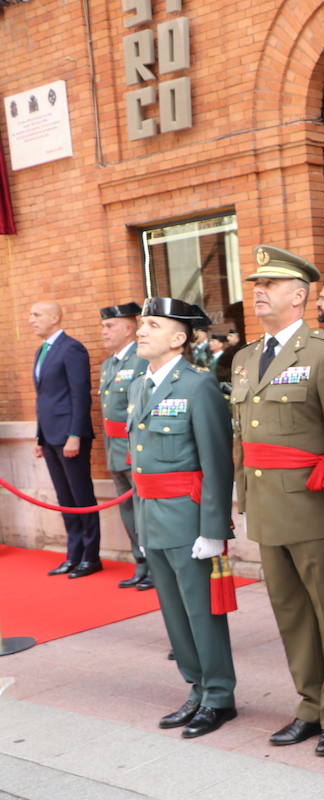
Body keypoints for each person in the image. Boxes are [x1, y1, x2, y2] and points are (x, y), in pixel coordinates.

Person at [231, 245, 324, 757]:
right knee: (290, 613)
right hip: (268, 507)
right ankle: (309, 704)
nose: (259, 292)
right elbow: (243, 438)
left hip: (313, 507)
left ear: (299, 295)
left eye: (271, 284)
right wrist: (243, 498)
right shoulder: (244, 358)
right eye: (257, 284)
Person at [128, 297, 236, 738]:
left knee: (200, 612)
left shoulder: (197, 385)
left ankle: (219, 695)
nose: (141, 331)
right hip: (153, 516)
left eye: (152, 325)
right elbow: (140, 462)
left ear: (179, 338)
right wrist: (140, 523)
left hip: (188, 520)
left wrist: (213, 529)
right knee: (174, 613)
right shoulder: (140, 386)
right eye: (142, 324)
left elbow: (217, 462)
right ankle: (197, 686)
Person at [29, 300, 101, 578]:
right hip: (49, 437)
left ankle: (90, 557)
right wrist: (39, 436)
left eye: (37, 314)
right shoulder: (42, 350)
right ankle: (73, 555)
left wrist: (75, 435)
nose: (31, 320)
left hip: (70, 436)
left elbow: (80, 394)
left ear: (55, 317)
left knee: (82, 497)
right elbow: (44, 398)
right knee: (64, 499)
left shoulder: (72, 348)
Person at [98, 302, 152, 590]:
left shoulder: (141, 360)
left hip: (134, 448)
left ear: (130, 328)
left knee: (144, 510)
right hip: (114, 448)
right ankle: (140, 562)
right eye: (103, 326)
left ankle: (155, 565)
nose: (104, 331)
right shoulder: (109, 364)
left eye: (110, 326)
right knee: (128, 511)